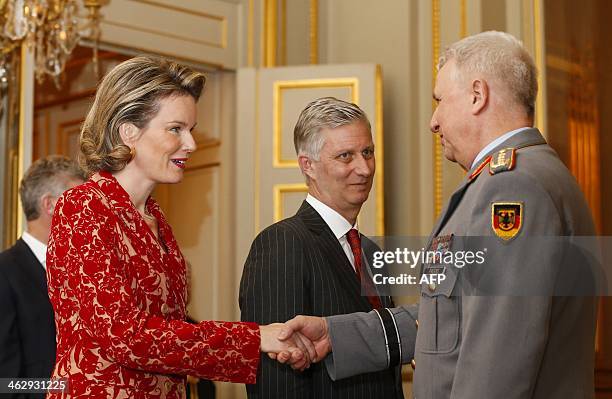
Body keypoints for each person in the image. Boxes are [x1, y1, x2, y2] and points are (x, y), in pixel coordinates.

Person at [276, 31, 598, 398]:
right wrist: (337, 336)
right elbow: (452, 317)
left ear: (478, 95)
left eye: (440, 100)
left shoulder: (512, 188)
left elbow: (498, 358)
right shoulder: (522, 176)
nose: (433, 121)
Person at [45, 56, 311, 399]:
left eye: (191, 130)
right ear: (129, 131)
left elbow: (173, 331)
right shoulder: (83, 206)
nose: (191, 144)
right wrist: (256, 338)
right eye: (175, 129)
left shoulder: (157, 220)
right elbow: (125, 336)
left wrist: (266, 340)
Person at [239, 97, 403, 398]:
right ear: (308, 166)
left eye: (368, 152)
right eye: (345, 156)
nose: (365, 169)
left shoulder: (371, 253)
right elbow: (276, 383)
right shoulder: (282, 243)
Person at [0, 156, 85, 398]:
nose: (88, 215)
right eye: (79, 203)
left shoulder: (82, 273)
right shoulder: (4, 272)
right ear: (49, 205)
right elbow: (5, 383)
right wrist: (65, 388)